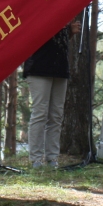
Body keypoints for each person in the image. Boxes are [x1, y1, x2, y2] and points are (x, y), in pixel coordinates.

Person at [23, 15, 80, 168]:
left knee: (56, 114)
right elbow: (34, 35)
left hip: (60, 67)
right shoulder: (39, 9)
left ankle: (52, 158)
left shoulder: (64, 10)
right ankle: (35, 159)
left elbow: (57, 41)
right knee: (40, 112)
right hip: (38, 65)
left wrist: (69, 32)